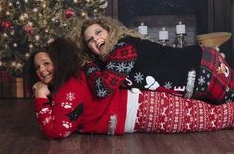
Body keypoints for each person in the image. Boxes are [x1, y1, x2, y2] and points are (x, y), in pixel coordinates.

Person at [28, 37, 234, 140]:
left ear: (59, 61)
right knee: (207, 111)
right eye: (37, 67)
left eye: (46, 63)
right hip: (137, 104)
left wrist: (39, 96)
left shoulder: (67, 90)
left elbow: (56, 131)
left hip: (138, 111)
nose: (42, 70)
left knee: (211, 118)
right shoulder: (74, 77)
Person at [73, 16, 234, 104]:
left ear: (109, 31)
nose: (96, 39)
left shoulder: (123, 49)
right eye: (90, 40)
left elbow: (102, 89)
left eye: (98, 32)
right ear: (89, 49)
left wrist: (88, 65)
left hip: (202, 66)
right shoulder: (110, 61)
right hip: (198, 75)